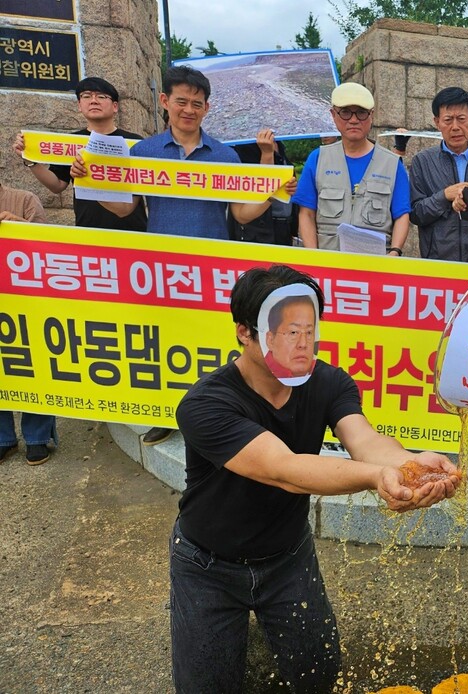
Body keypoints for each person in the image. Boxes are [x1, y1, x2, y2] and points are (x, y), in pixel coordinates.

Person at [170, 264, 460, 692]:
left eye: (309, 330)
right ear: (245, 333)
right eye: (289, 332)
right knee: (208, 685)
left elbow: (364, 439)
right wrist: (376, 477)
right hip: (208, 564)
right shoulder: (205, 404)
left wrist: (408, 466)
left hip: (288, 557)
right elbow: (284, 469)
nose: (303, 344)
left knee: (318, 673)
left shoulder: (327, 382)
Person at [70, 65, 295, 446]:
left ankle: (216, 413)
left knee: (209, 342)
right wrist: (87, 182)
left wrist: (272, 192)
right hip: (160, 268)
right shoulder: (144, 152)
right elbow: (125, 208)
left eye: (197, 103)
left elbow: (241, 214)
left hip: (212, 268)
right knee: (165, 341)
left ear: (207, 107)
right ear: (165, 101)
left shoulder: (224, 155)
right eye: (181, 101)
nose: (188, 109)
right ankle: (166, 413)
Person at [13, 76, 148, 232]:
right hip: (88, 229)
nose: (93, 101)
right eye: (86, 96)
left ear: (115, 106)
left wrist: (89, 179)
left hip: (133, 231)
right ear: (79, 105)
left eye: (101, 96)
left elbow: (133, 197)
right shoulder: (71, 143)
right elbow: (57, 184)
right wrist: (29, 159)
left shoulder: (134, 142)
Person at [292, 83, 410, 254]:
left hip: (376, 263)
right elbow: (306, 213)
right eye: (345, 112)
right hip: (328, 260)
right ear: (333, 115)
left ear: (371, 115)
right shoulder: (318, 159)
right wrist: (313, 255)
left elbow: (402, 215)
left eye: (361, 113)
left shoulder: (392, 164)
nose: (354, 120)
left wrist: (395, 251)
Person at [0, 184, 57, 465]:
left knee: (33, 364)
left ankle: (37, 437)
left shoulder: (24, 199)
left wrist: (19, 225)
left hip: (26, 298)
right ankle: (3, 439)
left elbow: (48, 245)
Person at [408, 87, 468, 263]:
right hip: (437, 261)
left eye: (461, 119)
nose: (455, 127)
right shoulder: (423, 161)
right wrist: (444, 195)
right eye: (448, 120)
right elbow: (416, 214)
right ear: (437, 122)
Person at [228, 128, 298, 245]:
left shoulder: (279, 144)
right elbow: (242, 215)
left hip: (284, 229)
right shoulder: (240, 150)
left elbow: (284, 186)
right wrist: (267, 154)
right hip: (256, 234)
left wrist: (290, 187)